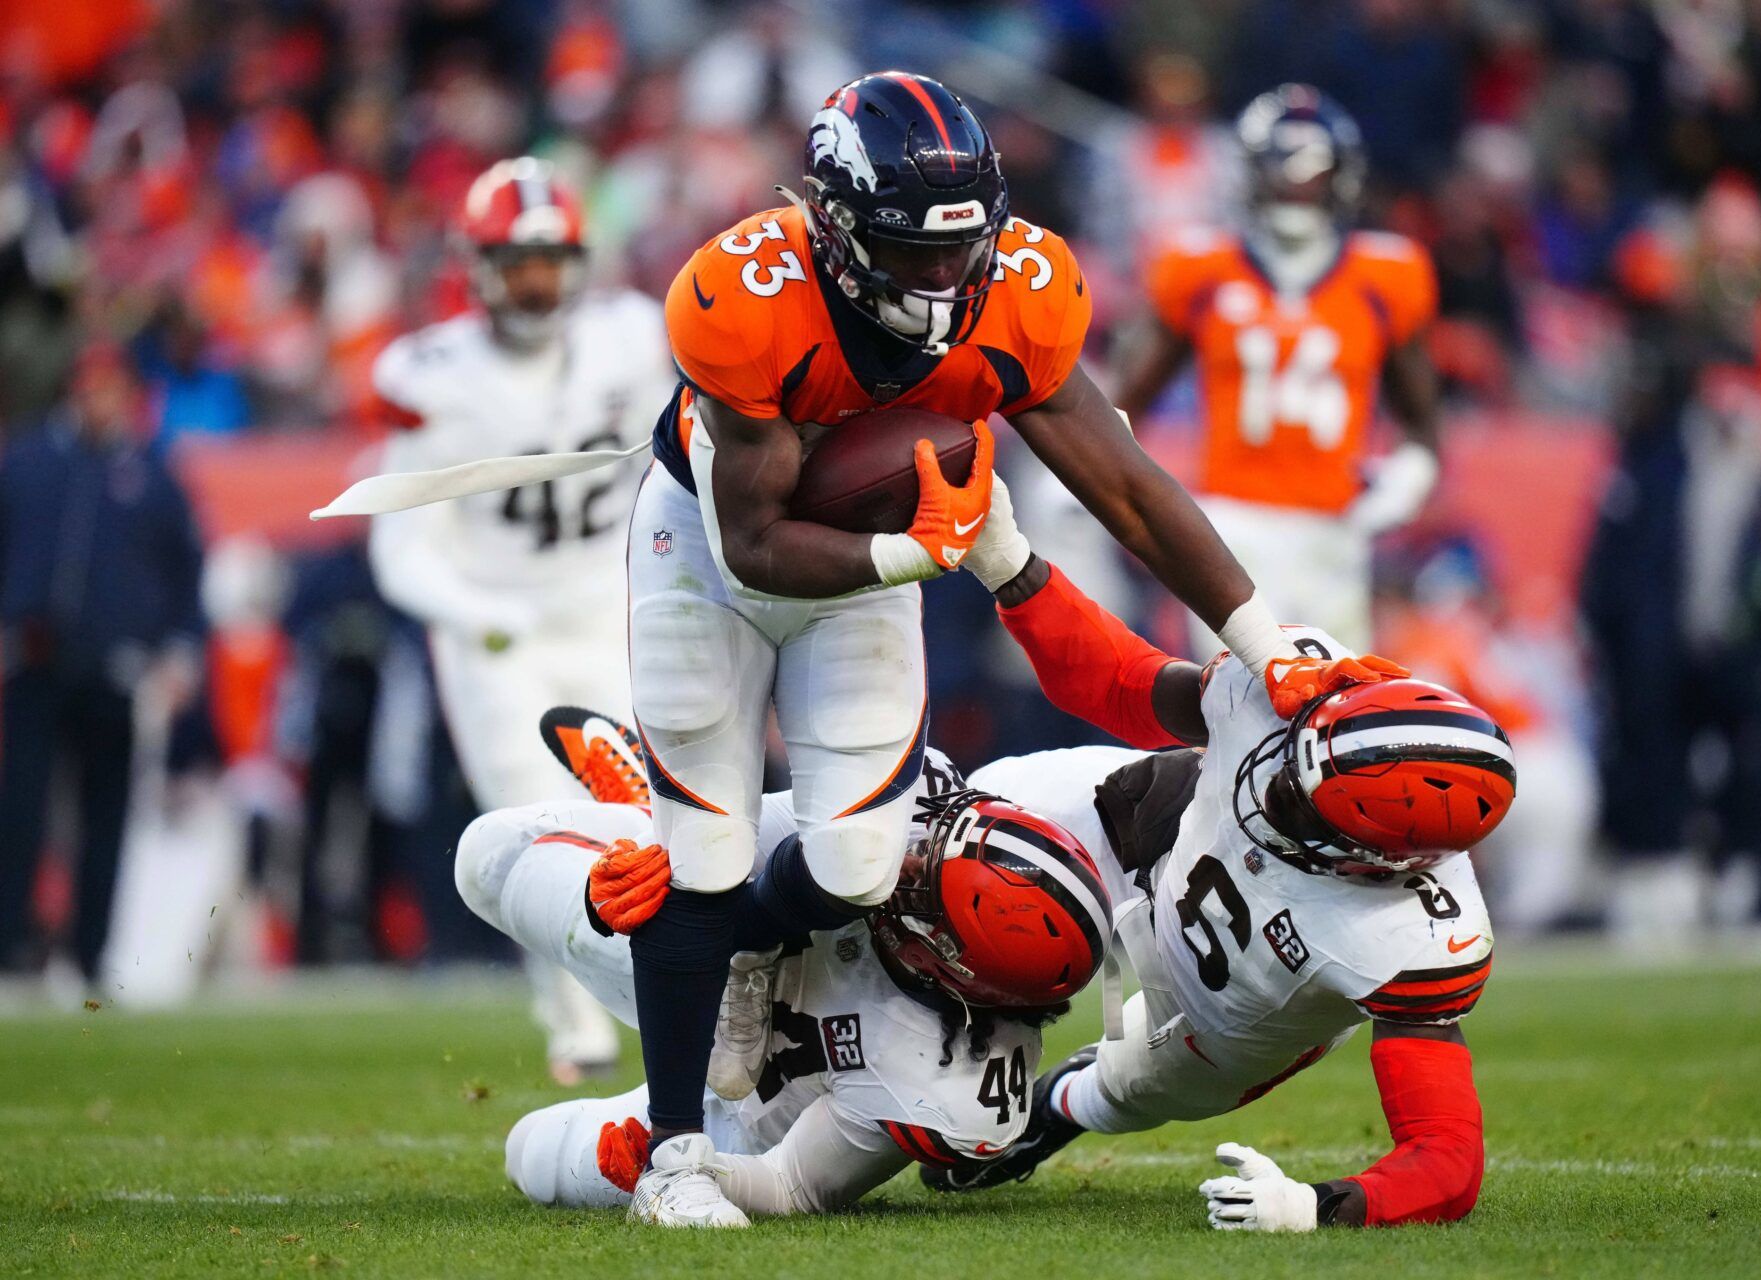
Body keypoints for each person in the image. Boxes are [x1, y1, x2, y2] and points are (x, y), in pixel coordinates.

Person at [625, 69, 1395, 1227]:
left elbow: (1130, 490)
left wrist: (1263, 640)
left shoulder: (1021, 288)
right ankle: (672, 1156)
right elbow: (754, 544)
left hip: (884, 552)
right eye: (910, 251)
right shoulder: (746, 295)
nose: (944, 280)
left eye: (961, 249)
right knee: (705, 840)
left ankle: (743, 950)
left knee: (855, 866)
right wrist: (917, 552)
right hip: (708, 549)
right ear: (832, 224)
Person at [914, 489, 1512, 1232]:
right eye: (1299, 763)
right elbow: (1120, 681)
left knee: (1105, 1094)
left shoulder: (1415, 943)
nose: (1281, 787)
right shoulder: (1294, 687)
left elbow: (1447, 1160)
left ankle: (1054, 1106)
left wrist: (1313, 1209)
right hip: (1159, 822)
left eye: (1304, 805)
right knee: (936, 833)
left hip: (1213, 1015)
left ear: (1381, 861)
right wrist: (1011, 565)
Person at [452, 718, 1107, 1223]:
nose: (906, 860)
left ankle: (641, 823)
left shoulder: (960, 1089)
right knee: (488, 854)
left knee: (532, 1155)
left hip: (739, 1102)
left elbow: (793, 1185)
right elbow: (741, 840)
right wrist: (615, 889)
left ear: (952, 964)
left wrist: (701, 1167)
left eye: (922, 889)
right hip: (695, 926)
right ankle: (638, 816)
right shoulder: (916, 797)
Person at [368, 157, 677, 1083]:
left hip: (602, 607)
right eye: (517, 260)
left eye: (550, 259)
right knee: (531, 818)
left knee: (648, 810)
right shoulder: (433, 373)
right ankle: (573, 1021)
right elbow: (402, 547)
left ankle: (659, 992)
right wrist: (478, 613)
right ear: (478, 265)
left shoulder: (633, 336)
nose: (536, 281)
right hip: (493, 630)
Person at [1114, 84, 1443, 650]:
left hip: (1334, 532)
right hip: (1230, 528)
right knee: (1240, 707)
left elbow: (1423, 427)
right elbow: (1125, 404)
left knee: (1335, 712)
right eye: (1280, 164)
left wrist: (1409, 479)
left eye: (1311, 165)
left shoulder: (1386, 277)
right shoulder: (1204, 268)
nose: (1295, 180)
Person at [0, 345, 205, 983]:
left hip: (116, 665)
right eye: (89, 389)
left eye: (110, 390)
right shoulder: (26, 462)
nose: (99, 403)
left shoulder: (151, 471)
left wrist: (178, 653)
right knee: (20, 811)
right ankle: (10, 951)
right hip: (34, 656)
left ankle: (91, 957)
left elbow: (185, 572)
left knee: (106, 814)